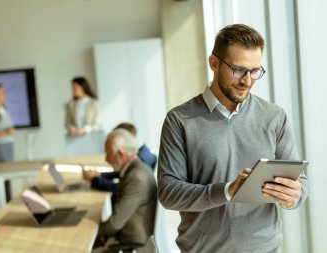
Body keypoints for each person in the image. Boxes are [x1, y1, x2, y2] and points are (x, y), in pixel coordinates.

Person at [158, 24, 308, 253]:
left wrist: (294, 196)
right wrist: (227, 191)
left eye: (255, 71)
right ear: (214, 63)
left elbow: (301, 183)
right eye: (238, 70)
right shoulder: (179, 120)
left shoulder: (274, 117)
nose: (247, 81)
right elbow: (169, 193)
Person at [95, 129, 157, 252]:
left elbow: (113, 224)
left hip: (130, 240)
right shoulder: (136, 169)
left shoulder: (136, 177)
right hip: (126, 234)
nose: (106, 159)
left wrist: (92, 230)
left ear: (121, 155)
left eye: (108, 154)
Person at [83, 123, 157, 204]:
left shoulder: (141, 160)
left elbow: (123, 188)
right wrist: (99, 175)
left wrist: (95, 180)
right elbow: (120, 173)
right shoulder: (143, 153)